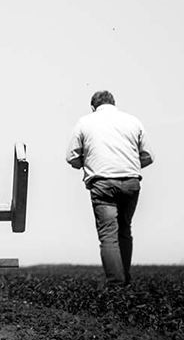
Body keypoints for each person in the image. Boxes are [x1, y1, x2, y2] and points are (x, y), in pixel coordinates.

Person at [65, 90, 155, 287]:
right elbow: (148, 156)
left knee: (108, 235)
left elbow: (71, 157)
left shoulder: (85, 122)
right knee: (125, 229)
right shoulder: (133, 121)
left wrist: (87, 163)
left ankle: (116, 283)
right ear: (114, 103)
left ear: (93, 107)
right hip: (131, 182)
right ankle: (126, 278)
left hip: (103, 183)